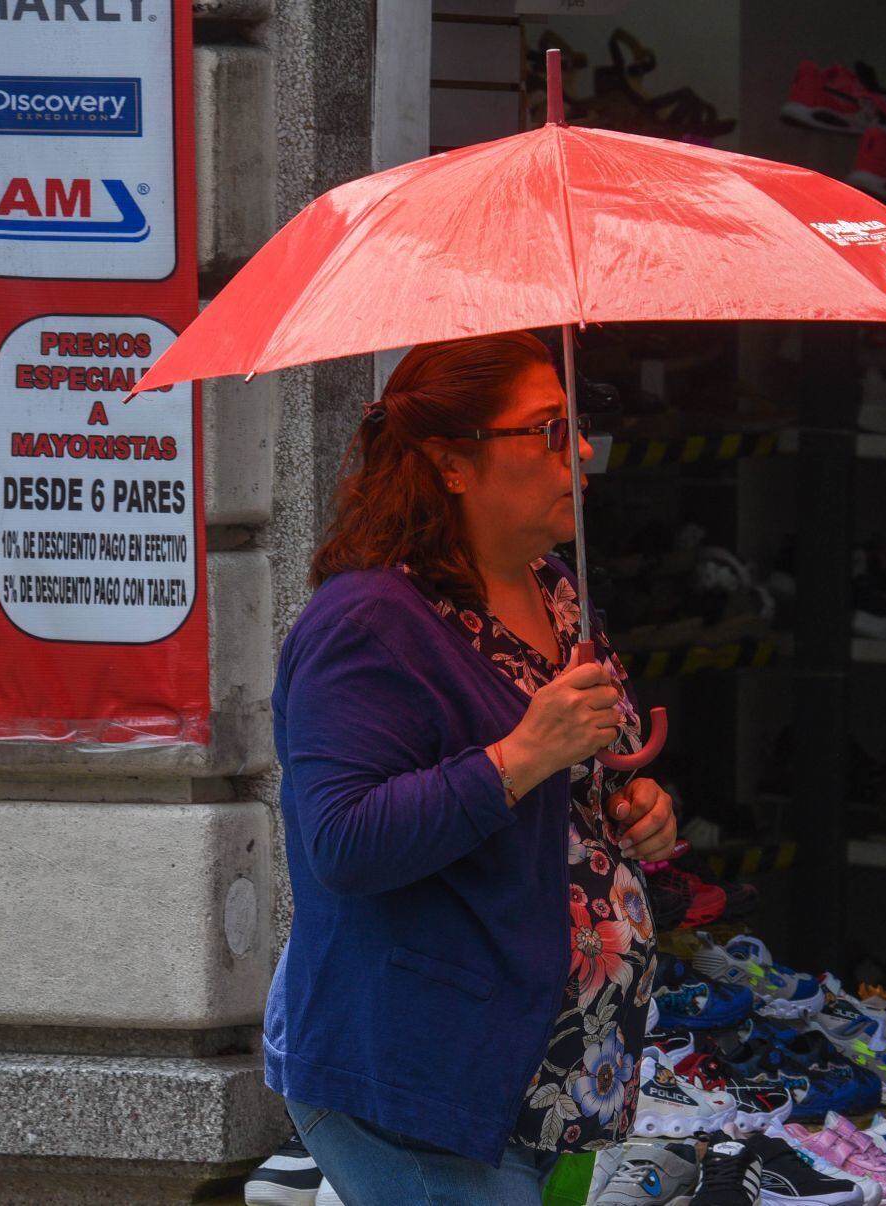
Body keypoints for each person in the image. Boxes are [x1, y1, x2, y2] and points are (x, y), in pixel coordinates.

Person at [266, 331, 678, 1204]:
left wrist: (638, 810)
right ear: (453, 463)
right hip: (422, 1073)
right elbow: (343, 840)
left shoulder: (556, 587)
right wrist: (521, 755)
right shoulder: (370, 622)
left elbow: (580, 789)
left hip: (550, 1076)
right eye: (550, 429)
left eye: (578, 425)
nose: (584, 451)